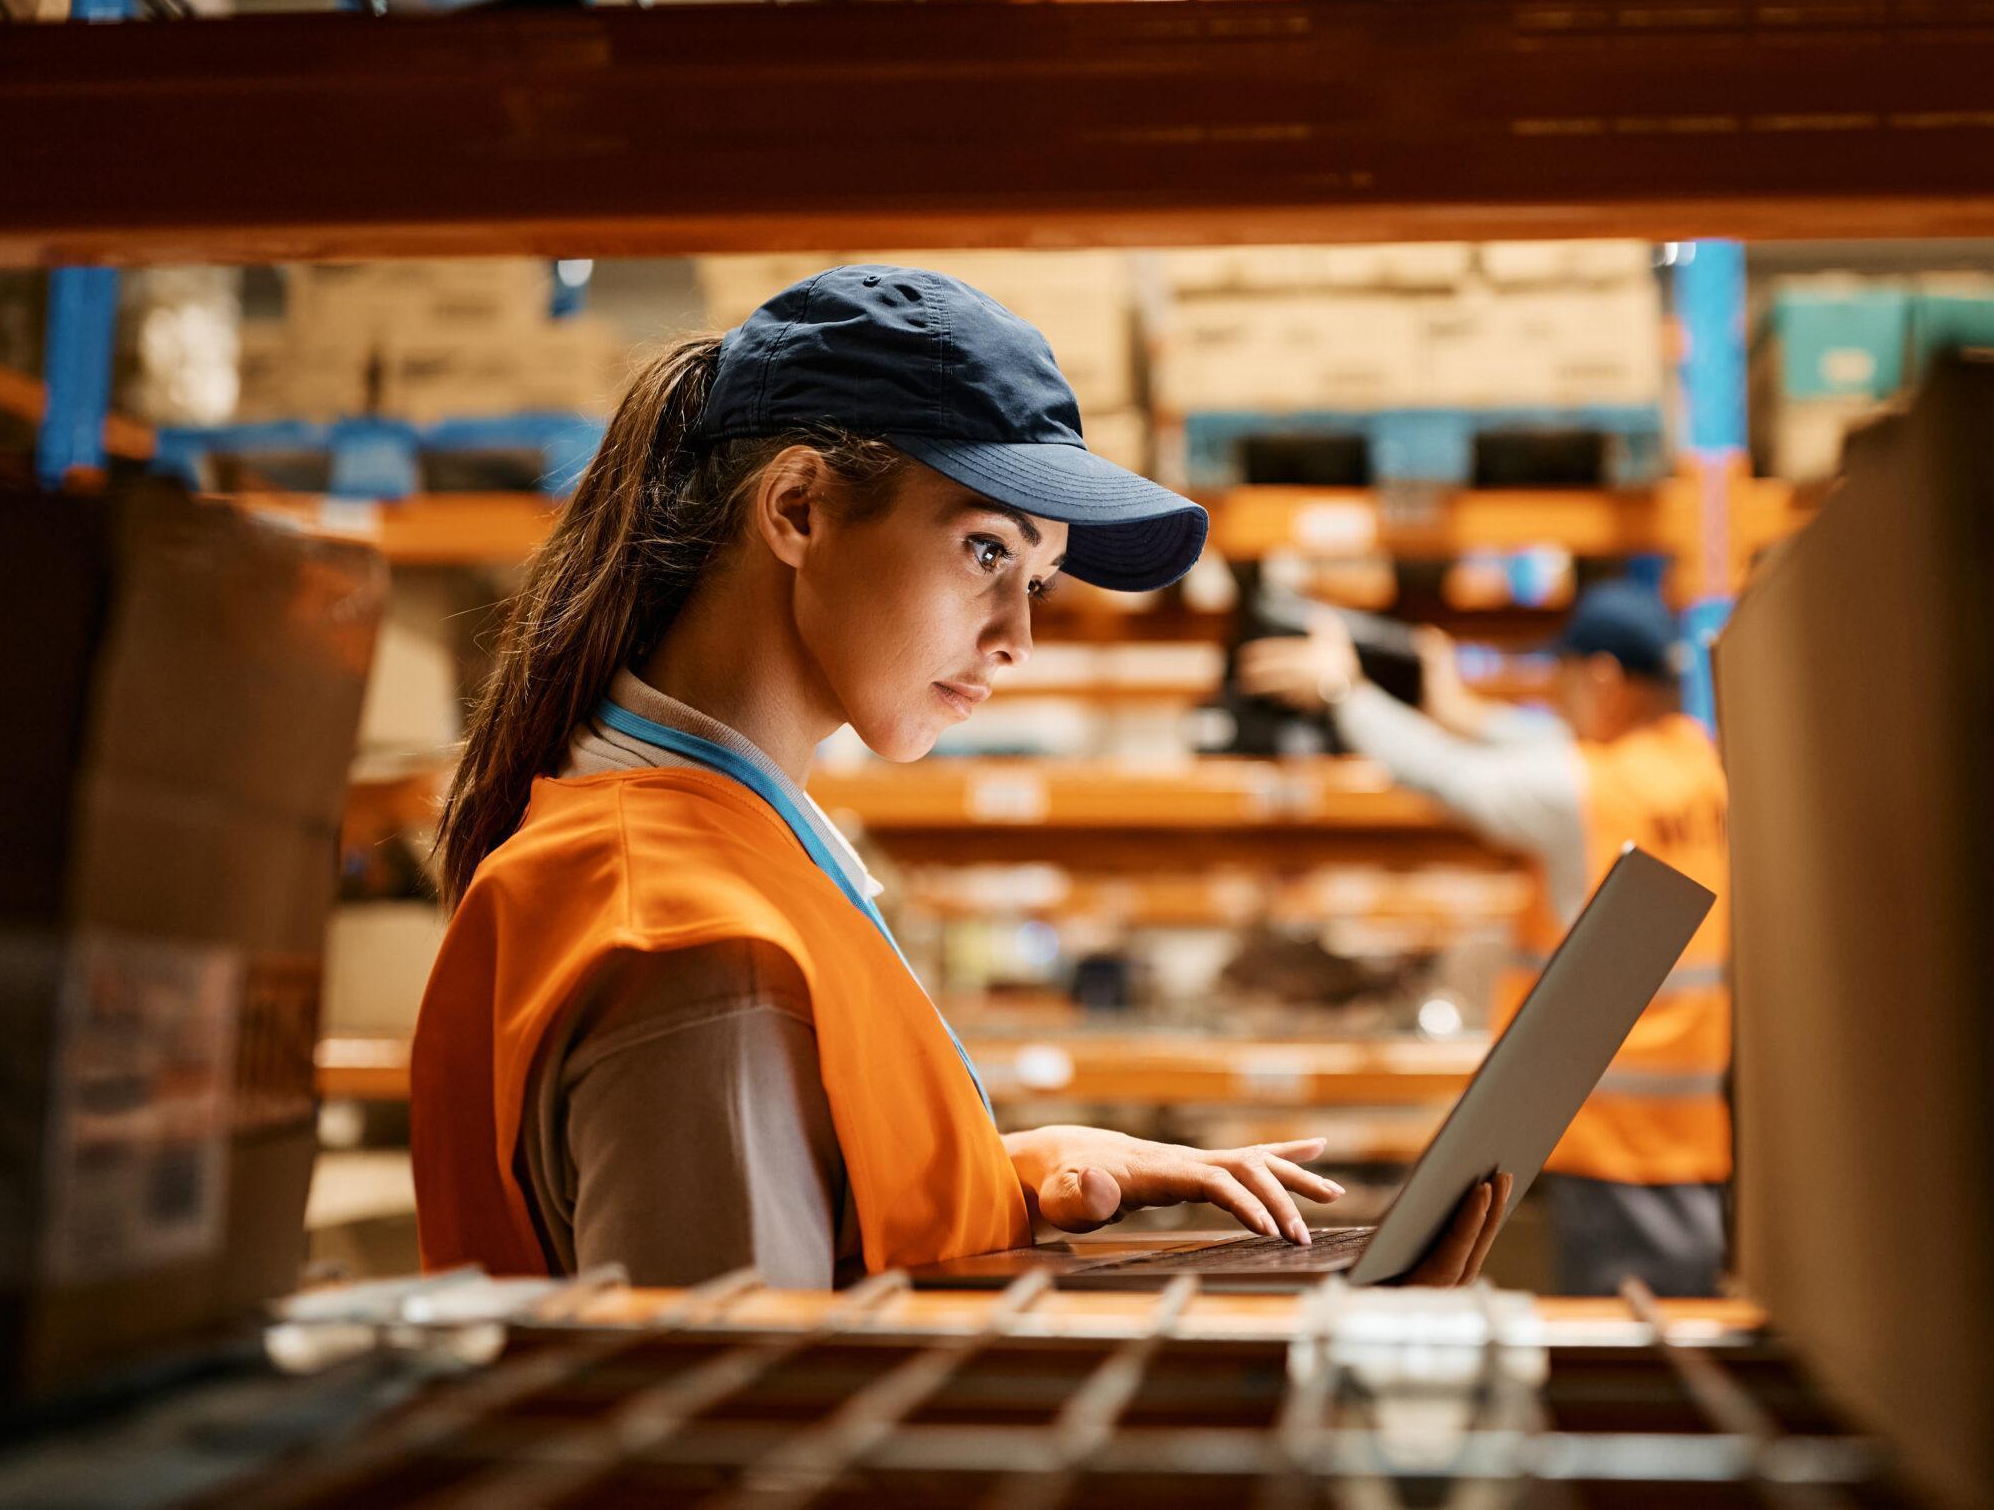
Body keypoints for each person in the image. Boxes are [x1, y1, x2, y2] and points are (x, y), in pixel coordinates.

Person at [411, 267, 1511, 1290]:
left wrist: (1005, 1174)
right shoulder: (691, 940)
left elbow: (807, 1257)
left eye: (1038, 578)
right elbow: (733, 1434)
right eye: (989, 551)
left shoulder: (719, 861)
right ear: (798, 511)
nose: (1018, 638)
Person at [1239, 580, 1729, 1296]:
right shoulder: (1694, 759)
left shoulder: (1588, 789)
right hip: (1682, 1123)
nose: (1555, 700)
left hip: (1613, 1126)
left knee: (1621, 1352)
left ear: (1602, 678)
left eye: (1563, 680)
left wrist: (1344, 692)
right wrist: (1457, 705)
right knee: (1670, 1337)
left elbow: (1452, 776)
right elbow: (1545, 744)